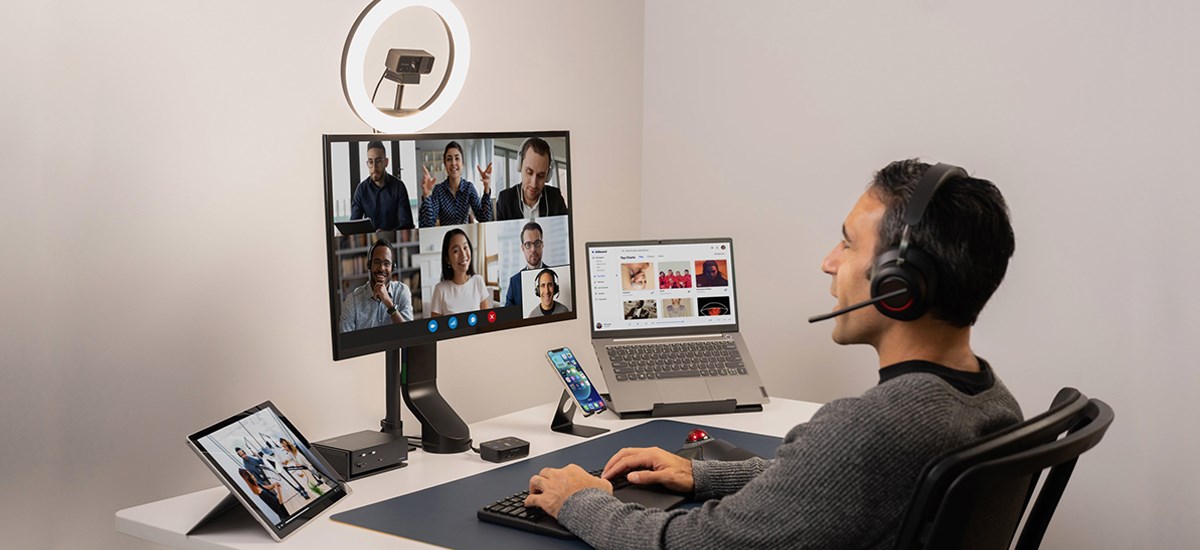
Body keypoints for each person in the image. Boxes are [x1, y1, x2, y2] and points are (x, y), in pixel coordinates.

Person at [522, 159, 1023, 549]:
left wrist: (580, 500)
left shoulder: (867, 429)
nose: (828, 262)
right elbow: (838, 485)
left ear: (899, 283)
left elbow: (687, 544)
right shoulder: (993, 403)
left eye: (847, 245)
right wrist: (700, 474)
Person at [339, 239, 414, 332]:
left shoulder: (402, 291)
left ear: (393, 268)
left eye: (386, 263)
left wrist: (389, 304)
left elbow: (409, 332)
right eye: (377, 262)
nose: (381, 268)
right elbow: (346, 342)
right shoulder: (352, 301)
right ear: (369, 265)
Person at [419, 141, 492, 227]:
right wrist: (426, 195)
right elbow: (428, 224)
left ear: (463, 164)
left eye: (457, 158)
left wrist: (486, 188)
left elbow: (484, 218)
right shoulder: (439, 190)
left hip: (464, 237)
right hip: (445, 237)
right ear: (445, 165)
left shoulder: (469, 188)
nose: (453, 163)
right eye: (449, 159)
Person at [495, 137, 569, 220]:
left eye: (541, 176)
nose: (534, 184)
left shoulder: (555, 198)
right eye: (529, 172)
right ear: (520, 166)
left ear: (548, 175)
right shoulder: (505, 200)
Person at [350, 140, 415, 230]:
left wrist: (386, 234)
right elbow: (353, 224)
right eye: (371, 162)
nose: (374, 168)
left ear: (386, 162)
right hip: (370, 242)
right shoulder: (361, 190)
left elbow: (407, 225)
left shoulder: (398, 187)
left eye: (378, 161)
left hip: (394, 242)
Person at [430, 228, 491, 315]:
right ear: (447, 259)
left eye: (465, 247)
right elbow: (436, 326)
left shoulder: (478, 281)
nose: (463, 255)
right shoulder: (440, 289)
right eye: (456, 251)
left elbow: (486, 319)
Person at [504, 222, 547, 308]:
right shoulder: (514, 282)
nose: (533, 249)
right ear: (523, 248)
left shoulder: (556, 275)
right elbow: (508, 314)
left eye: (537, 243)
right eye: (528, 245)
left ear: (542, 245)